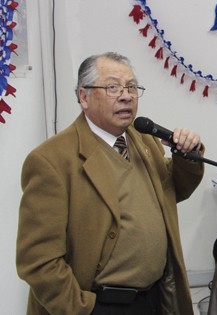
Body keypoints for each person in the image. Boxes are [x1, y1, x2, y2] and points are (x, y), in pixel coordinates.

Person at [16, 52, 205, 315]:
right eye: (113, 87)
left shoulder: (143, 139)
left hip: (154, 298)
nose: (126, 95)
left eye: (131, 87)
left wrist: (187, 155)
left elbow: (173, 190)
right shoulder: (51, 160)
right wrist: (86, 310)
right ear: (84, 97)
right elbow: (37, 261)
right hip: (100, 305)